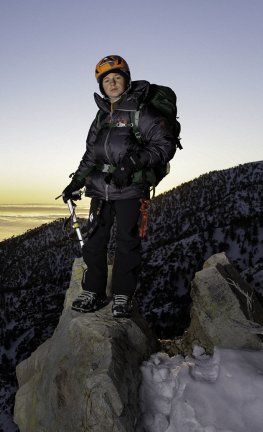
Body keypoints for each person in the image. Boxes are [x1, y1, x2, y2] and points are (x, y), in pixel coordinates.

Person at [61, 55, 178, 318]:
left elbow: (164, 144)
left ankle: (123, 295)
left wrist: (133, 163)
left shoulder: (141, 111)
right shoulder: (101, 115)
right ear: (101, 85)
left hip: (130, 188)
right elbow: (91, 154)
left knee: (127, 241)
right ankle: (93, 290)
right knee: (95, 241)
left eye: (117, 78)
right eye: (107, 80)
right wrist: (76, 182)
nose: (112, 84)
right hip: (100, 189)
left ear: (126, 79)